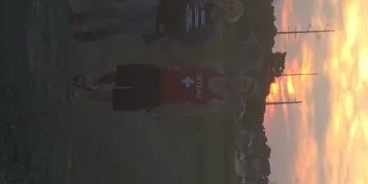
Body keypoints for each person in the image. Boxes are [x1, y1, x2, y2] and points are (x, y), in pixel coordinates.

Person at [70, 0, 244, 48]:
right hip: (159, 6)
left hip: (158, 25)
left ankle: (90, 36)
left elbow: (185, 41)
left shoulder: (209, 32)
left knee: (120, 28)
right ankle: (84, 17)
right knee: (119, 9)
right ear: (227, 2)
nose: (228, 11)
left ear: (230, 20)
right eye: (230, 6)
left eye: (231, 14)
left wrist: (180, 28)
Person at [72, 65, 252, 115]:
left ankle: (84, 95)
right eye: (243, 79)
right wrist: (173, 66)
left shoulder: (215, 101)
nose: (240, 82)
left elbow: (187, 110)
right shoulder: (216, 69)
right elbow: (191, 65)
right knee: (122, 74)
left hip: (160, 96)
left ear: (239, 93)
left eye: (243, 86)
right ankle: (93, 82)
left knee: (118, 98)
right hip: (160, 75)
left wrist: (163, 108)